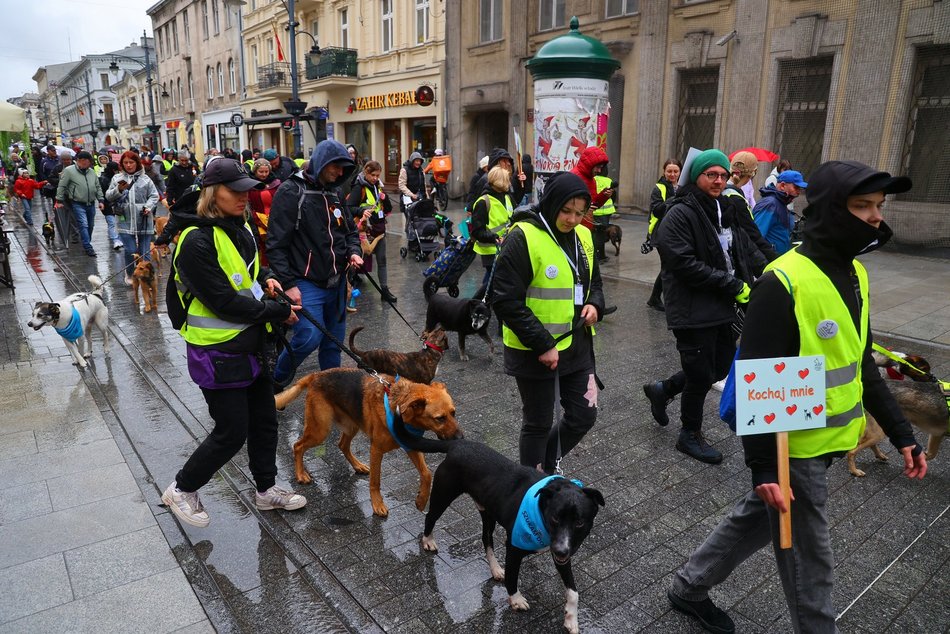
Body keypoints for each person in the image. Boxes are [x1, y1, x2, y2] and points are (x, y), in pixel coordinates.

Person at [668, 160, 928, 634]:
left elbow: (862, 364)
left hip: (832, 438)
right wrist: (765, 466)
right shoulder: (782, 280)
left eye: (879, 207)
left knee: (758, 513)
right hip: (795, 447)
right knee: (813, 560)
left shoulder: (855, 275)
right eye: (863, 206)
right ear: (832, 211)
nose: (875, 217)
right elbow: (757, 379)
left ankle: (688, 586)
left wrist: (902, 433)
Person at [160, 158, 307, 528]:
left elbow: (252, 273)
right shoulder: (195, 241)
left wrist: (270, 279)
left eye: (247, 189)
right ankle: (181, 489)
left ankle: (266, 489)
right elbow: (223, 301)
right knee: (231, 431)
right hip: (217, 352)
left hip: (251, 345)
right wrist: (277, 311)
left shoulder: (237, 227)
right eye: (235, 190)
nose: (245, 196)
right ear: (212, 193)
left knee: (264, 421)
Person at [643, 149, 766, 464]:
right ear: (696, 176)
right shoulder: (679, 213)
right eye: (712, 174)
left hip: (720, 303)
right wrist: (732, 284)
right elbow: (682, 262)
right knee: (700, 374)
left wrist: (764, 274)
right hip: (691, 307)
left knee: (720, 366)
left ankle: (664, 389)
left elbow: (743, 247)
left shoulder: (723, 207)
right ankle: (690, 435)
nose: (719, 180)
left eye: (723, 175)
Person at [491, 171, 605, 472]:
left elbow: (595, 282)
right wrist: (542, 344)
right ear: (551, 203)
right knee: (538, 422)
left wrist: (595, 303)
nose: (573, 220)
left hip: (576, 346)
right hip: (534, 352)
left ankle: (548, 463)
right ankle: (531, 483)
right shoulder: (522, 237)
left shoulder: (583, 235)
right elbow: (504, 300)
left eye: (580, 213)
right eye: (566, 211)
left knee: (584, 414)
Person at [266, 140, 363, 388]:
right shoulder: (291, 191)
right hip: (306, 282)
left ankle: (333, 394)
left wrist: (353, 251)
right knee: (308, 337)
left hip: (337, 281)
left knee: (334, 343)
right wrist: (288, 284)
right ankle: (275, 382)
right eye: (336, 168)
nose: (340, 173)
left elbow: (350, 231)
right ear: (322, 163)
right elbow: (276, 243)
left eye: (345, 169)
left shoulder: (336, 192)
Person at [346, 160, 396, 303]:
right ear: (366, 173)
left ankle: (384, 291)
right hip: (364, 231)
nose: (375, 178)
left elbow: (387, 208)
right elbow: (349, 207)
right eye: (372, 175)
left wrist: (385, 199)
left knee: (382, 260)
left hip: (378, 228)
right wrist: (362, 210)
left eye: (377, 175)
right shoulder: (358, 186)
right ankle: (349, 291)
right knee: (355, 263)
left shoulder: (378, 186)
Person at [106, 151, 160, 284]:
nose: (129, 165)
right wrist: (118, 190)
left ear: (137, 163)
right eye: (126, 163)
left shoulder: (145, 179)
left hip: (144, 219)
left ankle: (147, 277)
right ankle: (130, 273)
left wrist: (148, 207)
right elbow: (108, 196)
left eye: (131, 162)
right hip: (125, 219)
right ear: (122, 164)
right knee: (130, 250)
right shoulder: (116, 179)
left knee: (144, 252)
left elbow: (154, 195)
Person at [724, 151, 778, 262]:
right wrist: (775, 258)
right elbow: (752, 234)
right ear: (752, 173)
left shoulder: (722, 191)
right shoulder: (736, 199)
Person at [645, 159, 682, 311]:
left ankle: (655, 298)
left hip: (677, 232)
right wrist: (673, 200)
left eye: (675, 171)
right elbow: (657, 210)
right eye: (669, 171)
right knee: (667, 266)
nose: (672, 174)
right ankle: (659, 298)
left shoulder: (682, 186)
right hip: (661, 232)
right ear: (664, 171)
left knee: (670, 266)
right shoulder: (659, 188)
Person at [470, 165, 514, 290]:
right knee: (491, 279)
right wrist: (494, 238)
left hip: (504, 246)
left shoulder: (507, 197)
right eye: (507, 179)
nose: (509, 182)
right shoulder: (483, 202)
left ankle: (483, 302)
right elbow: (477, 231)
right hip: (490, 248)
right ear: (501, 181)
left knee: (494, 279)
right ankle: (480, 303)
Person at [55, 150, 105, 257]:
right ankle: (88, 247)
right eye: (81, 161)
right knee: (83, 225)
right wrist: (59, 200)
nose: (84, 163)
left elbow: (97, 187)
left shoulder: (91, 172)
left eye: (86, 161)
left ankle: (86, 242)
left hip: (91, 203)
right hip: (77, 202)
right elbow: (62, 186)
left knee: (90, 225)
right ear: (77, 161)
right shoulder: (69, 171)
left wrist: (101, 200)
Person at [753, 170, 808, 256]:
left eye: (800, 189)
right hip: (768, 261)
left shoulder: (780, 203)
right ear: (782, 185)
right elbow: (756, 237)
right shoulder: (771, 204)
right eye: (796, 187)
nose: (798, 192)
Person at [248, 158, 282, 266]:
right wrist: (258, 219)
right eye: (261, 172)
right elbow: (247, 205)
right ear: (255, 171)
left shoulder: (276, 184)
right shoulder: (249, 185)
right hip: (256, 223)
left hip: (275, 221)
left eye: (266, 171)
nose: (264, 174)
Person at [98, 161, 123, 251]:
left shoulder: (116, 178)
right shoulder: (103, 179)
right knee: (112, 223)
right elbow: (101, 192)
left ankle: (119, 239)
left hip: (115, 205)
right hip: (107, 205)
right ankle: (116, 240)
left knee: (118, 222)